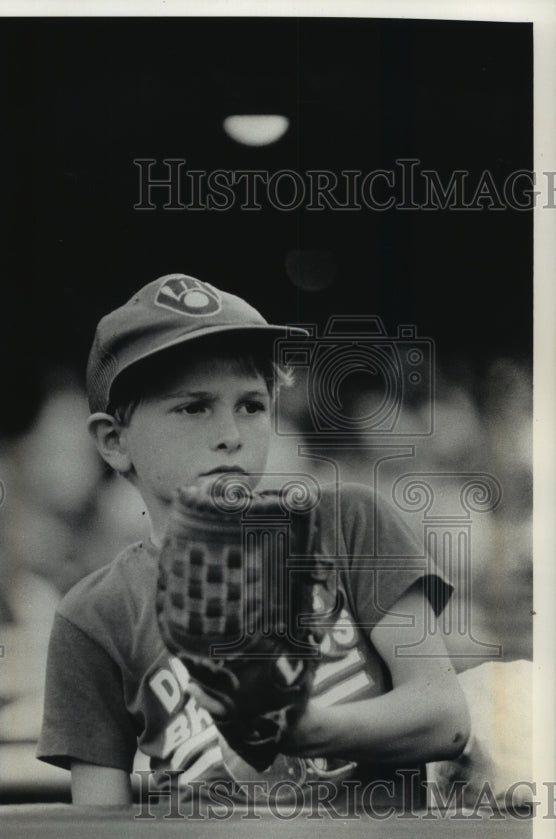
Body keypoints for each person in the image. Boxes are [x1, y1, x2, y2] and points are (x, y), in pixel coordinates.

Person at [37, 274, 470, 810]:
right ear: (114, 440)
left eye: (251, 405)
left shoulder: (349, 521)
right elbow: (97, 838)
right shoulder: (94, 615)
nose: (231, 434)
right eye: (194, 407)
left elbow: (444, 718)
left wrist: (306, 729)